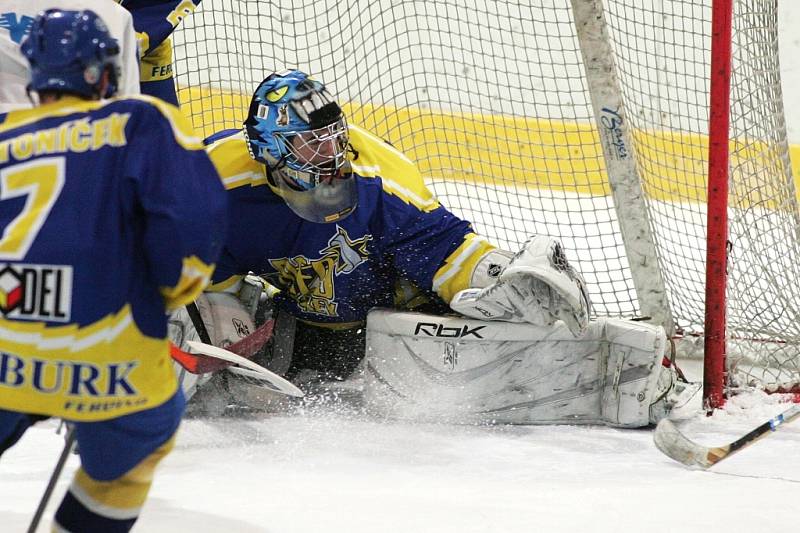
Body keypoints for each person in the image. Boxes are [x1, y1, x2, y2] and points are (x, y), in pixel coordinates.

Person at [178, 69, 695, 426]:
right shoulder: (210, 182)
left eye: (335, 138)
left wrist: (498, 273)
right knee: (196, 318)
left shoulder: (380, 180)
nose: (334, 155)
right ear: (269, 147)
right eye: (313, 144)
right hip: (299, 322)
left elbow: (445, 248)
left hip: (384, 311)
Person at [0, 9, 226, 532]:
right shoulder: (142, 122)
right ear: (104, 72)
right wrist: (171, 289)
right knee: (132, 456)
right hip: (110, 362)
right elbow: (192, 225)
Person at [0, 0, 140, 112]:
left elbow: (128, 101)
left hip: (90, 136)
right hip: (12, 134)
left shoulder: (117, 16)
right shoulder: (115, 15)